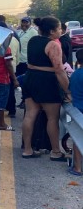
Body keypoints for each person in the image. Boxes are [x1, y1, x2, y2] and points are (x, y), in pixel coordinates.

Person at [21, 16, 70, 159]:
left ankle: (28, 150)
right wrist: (67, 90)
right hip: (46, 82)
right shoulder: (53, 45)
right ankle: (55, 151)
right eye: (59, 28)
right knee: (52, 118)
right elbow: (59, 70)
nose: (61, 31)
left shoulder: (32, 40)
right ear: (52, 31)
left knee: (30, 114)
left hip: (30, 78)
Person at [68, 49, 83, 176]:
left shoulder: (75, 75)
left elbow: (70, 92)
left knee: (78, 139)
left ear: (77, 61)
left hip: (77, 111)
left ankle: (77, 167)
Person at [16, 16, 37, 108]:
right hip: (20, 60)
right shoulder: (20, 32)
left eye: (26, 23)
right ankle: (23, 100)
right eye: (23, 22)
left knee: (27, 83)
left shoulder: (33, 33)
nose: (24, 24)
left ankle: (26, 101)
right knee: (22, 83)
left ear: (30, 23)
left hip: (27, 61)